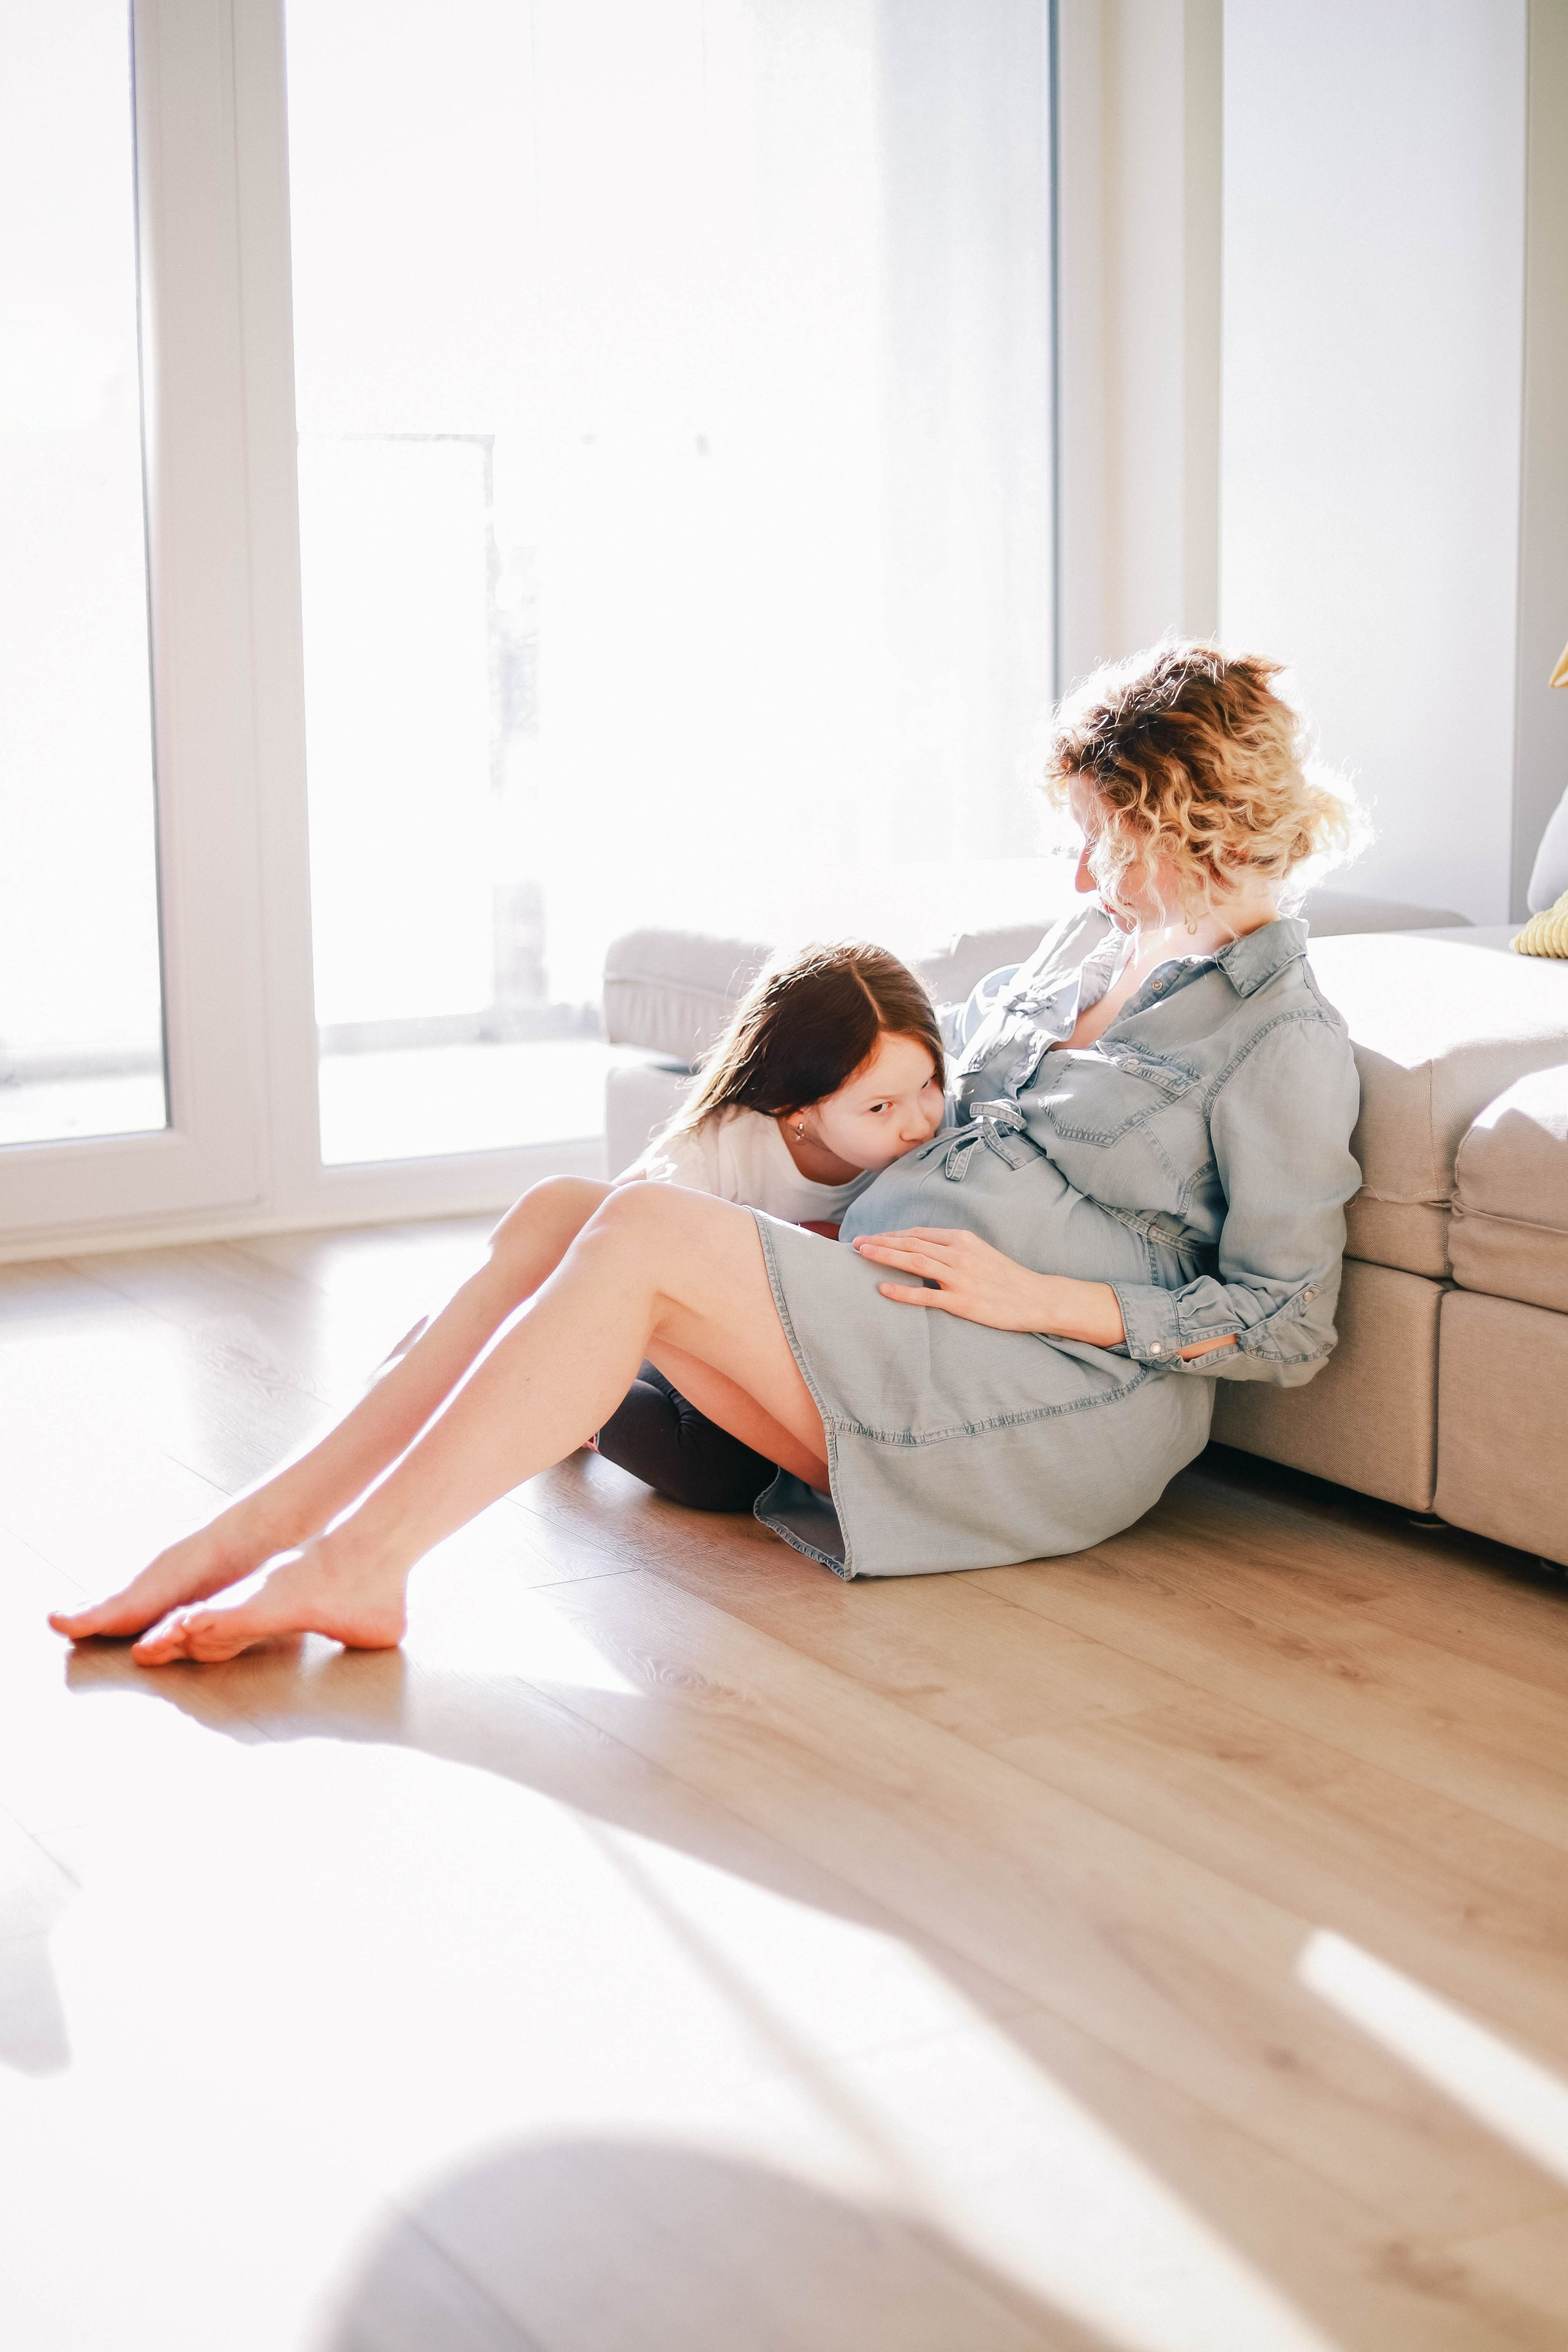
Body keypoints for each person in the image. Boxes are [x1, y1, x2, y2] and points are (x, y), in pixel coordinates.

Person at [51, 640, 1362, 1665]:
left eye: (1101, 837)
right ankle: (261, 1530)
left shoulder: (1277, 1038)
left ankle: (359, 1560)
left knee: (640, 1234)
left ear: (1186, 824)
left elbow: (1286, 1322)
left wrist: (1039, 1297)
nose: (1078, 875)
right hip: (895, 1305)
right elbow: (931, 1087)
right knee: (563, 1207)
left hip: (1049, 1395)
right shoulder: (1087, 944)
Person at [594, 941, 946, 1510]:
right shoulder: (716, 1153)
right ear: (798, 1109)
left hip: (821, 1361)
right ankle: (581, 1403)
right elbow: (605, 1242)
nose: (918, 1123)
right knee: (721, 1471)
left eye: (928, 1084)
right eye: (881, 1107)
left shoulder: (936, 1144)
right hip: (690, 1345)